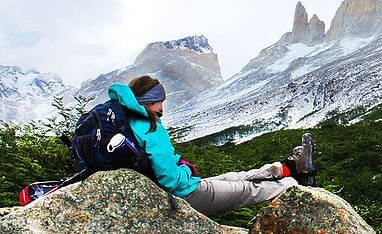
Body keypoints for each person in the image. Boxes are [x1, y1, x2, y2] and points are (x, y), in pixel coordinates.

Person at [107, 75, 316, 216]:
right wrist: (185, 170)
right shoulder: (150, 127)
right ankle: (296, 186)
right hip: (184, 195)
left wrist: (177, 163)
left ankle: (287, 167)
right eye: (158, 101)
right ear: (146, 101)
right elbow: (171, 181)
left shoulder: (127, 121)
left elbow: (155, 161)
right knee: (245, 190)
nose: (161, 107)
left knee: (234, 177)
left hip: (175, 189)